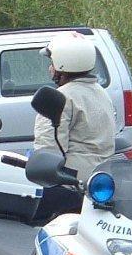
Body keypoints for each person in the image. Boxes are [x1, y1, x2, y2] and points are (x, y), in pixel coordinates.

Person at [31, 32, 115, 221]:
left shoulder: (61, 98)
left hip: (68, 186)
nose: (50, 68)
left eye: (52, 62)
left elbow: (48, 151)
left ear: (62, 64)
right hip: (101, 182)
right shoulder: (102, 93)